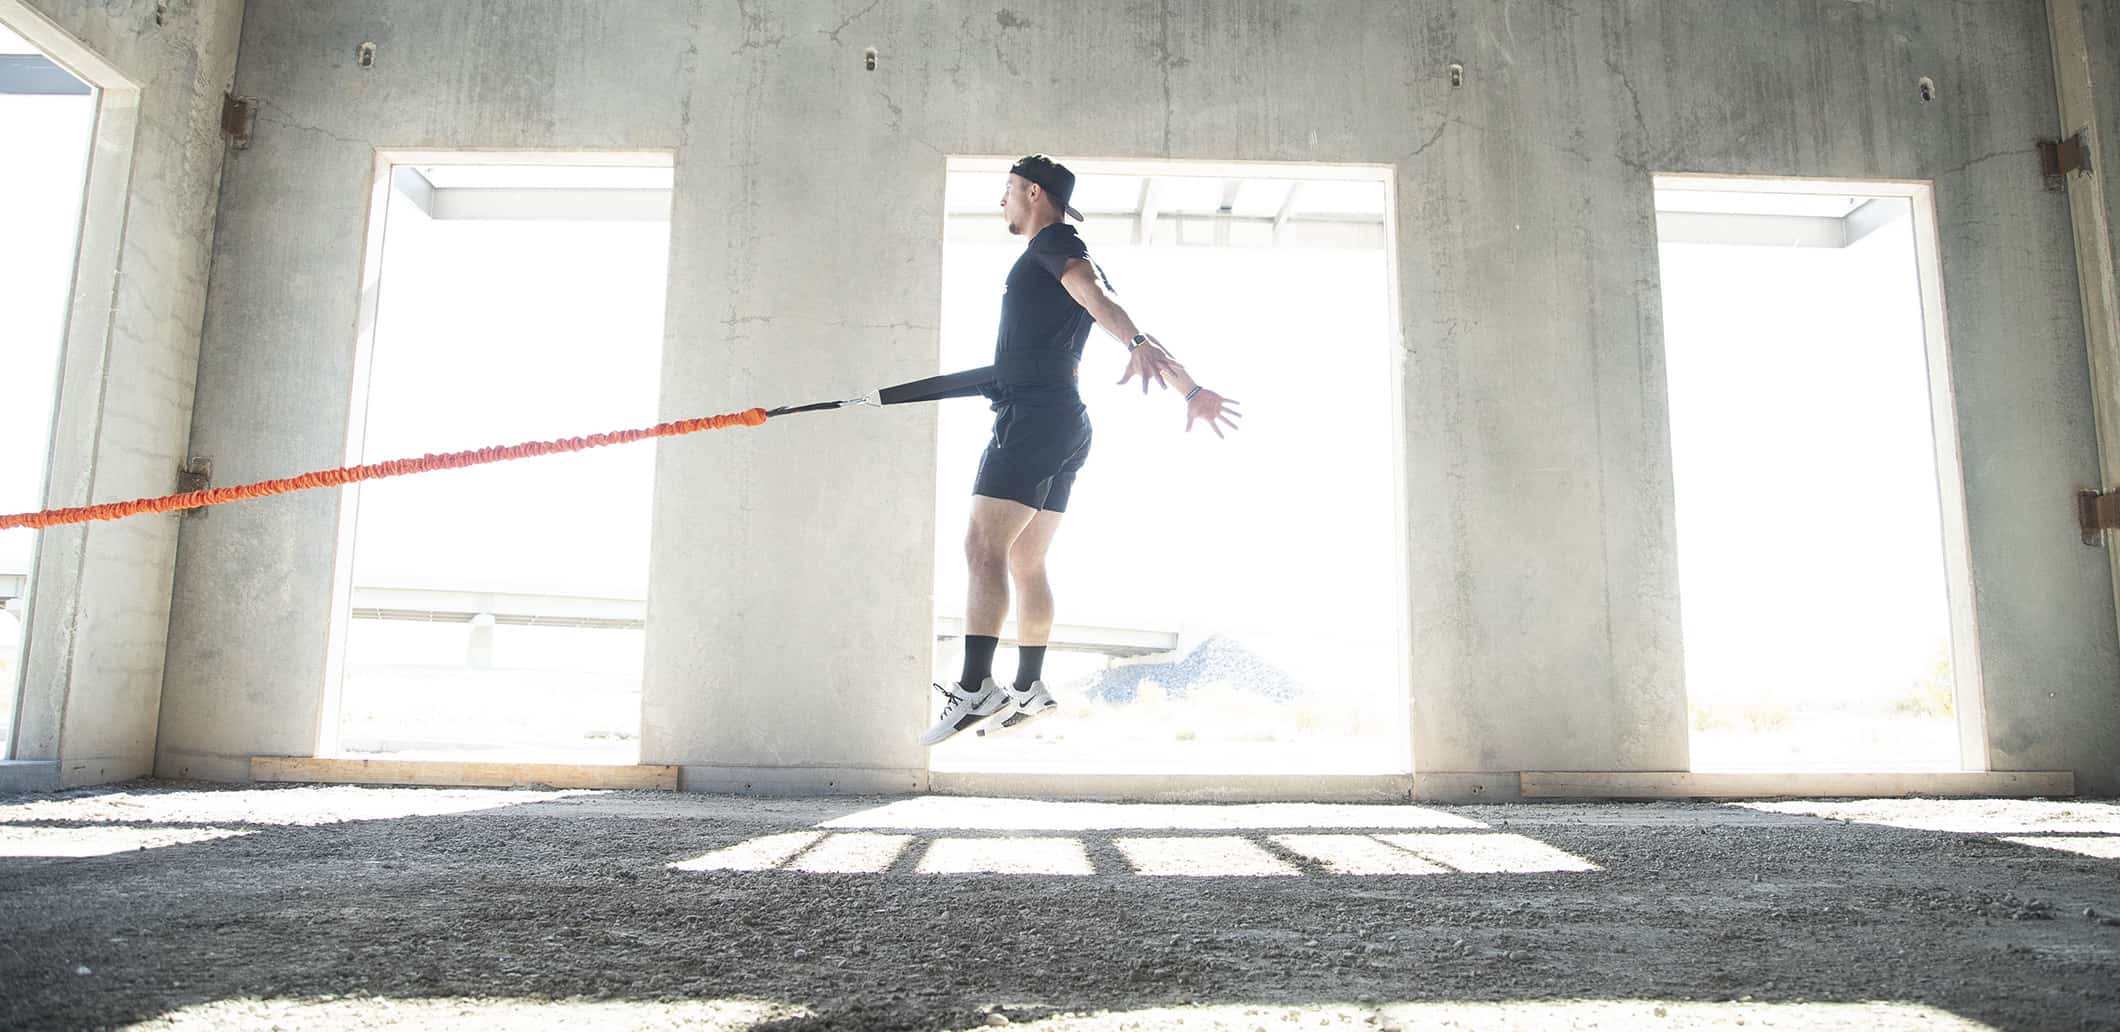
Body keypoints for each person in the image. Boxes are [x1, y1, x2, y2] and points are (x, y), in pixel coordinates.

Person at [921, 155, 1242, 746]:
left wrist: (1140, 343)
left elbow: (1098, 301)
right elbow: (1111, 309)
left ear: (1034, 192)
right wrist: (1188, 388)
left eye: (1009, 190)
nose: (1003, 202)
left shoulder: (1055, 246)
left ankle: (972, 688)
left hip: (1035, 418)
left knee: (982, 544)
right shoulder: (1072, 251)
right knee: (1024, 560)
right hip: (1067, 422)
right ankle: (1030, 686)